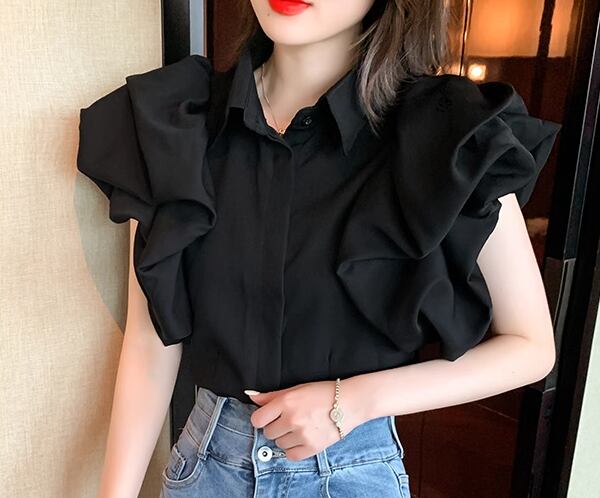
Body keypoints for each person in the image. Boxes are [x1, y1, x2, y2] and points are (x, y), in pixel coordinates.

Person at [76, 0, 562, 496]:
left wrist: (352, 401)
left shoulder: (451, 135)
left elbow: (530, 348)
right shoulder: (175, 122)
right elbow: (150, 341)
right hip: (205, 472)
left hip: (352, 471)